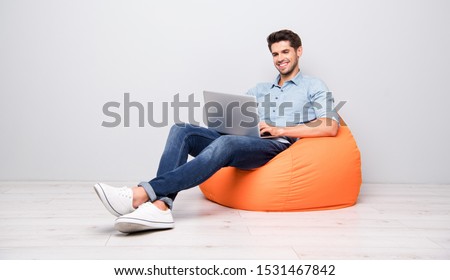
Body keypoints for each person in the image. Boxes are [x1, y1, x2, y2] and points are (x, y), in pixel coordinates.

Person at [94, 29, 340, 233]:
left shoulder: (313, 85)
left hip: (276, 146)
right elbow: (242, 117)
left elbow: (330, 125)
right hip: (244, 139)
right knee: (182, 130)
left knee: (226, 145)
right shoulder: (260, 88)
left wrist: (278, 129)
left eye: (285, 51)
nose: (280, 58)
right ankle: (161, 206)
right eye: (275, 54)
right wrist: (225, 123)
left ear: (299, 51)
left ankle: (141, 194)